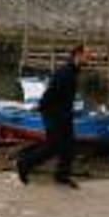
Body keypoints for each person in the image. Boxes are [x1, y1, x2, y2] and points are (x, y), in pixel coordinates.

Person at [16, 44, 91, 189]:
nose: (90, 58)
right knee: (53, 146)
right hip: (53, 113)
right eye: (87, 55)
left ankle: (62, 176)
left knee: (69, 146)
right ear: (78, 55)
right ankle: (23, 164)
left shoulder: (74, 71)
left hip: (65, 114)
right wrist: (42, 108)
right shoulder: (65, 72)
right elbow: (50, 93)